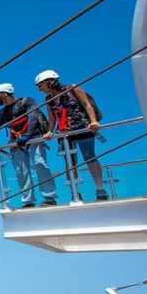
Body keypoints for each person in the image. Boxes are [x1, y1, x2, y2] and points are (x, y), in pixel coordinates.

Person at [35, 70, 107, 201]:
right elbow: (52, 118)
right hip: (65, 132)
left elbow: (87, 104)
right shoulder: (49, 100)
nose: (40, 89)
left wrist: (93, 121)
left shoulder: (72, 89)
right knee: (69, 163)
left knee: (89, 157)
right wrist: (50, 131)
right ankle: (75, 192)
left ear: (48, 82)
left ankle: (100, 189)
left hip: (83, 128)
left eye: (40, 85)